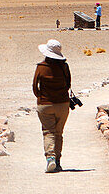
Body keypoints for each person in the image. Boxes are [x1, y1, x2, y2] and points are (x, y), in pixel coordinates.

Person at [33, 39, 72, 173]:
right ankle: (58, 161)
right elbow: (68, 84)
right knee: (58, 133)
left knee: (48, 132)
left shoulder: (41, 67)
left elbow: (35, 87)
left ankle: (50, 158)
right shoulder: (64, 66)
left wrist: (40, 97)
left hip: (45, 104)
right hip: (63, 104)